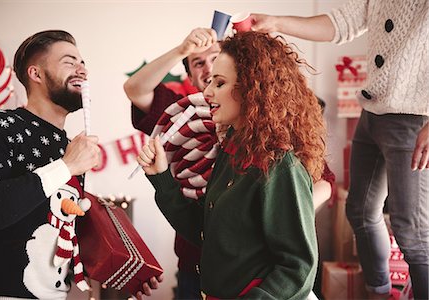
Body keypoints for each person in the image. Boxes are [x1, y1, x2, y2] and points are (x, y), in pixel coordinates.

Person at [250, 1, 429, 298]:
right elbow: (340, 23)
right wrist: (277, 22)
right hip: (372, 113)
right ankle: (380, 292)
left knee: (412, 232)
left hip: (412, 119)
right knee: (359, 211)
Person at [137, 31, 326, 299]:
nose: (208, 91)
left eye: (220, 83)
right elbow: (205, 232)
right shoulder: (231, 150)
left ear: (252, 87)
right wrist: (162, 178)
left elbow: (298, 267)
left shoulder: (279, 165)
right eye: (210, 80)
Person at [0, 30, 160, 299]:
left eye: (83, 62)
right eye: (69, 61)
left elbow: (59, 228)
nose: (82, 70)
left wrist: (122, 269)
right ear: (36, 74)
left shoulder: (68, 146)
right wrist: (65, 167)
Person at [124, 27, 219, 299]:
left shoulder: (259, 120)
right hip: (195, 263)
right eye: (198, 62)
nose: (209, 68)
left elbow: (321, 180)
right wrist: (181, 50)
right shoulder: (182, 114)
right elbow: (135, 88)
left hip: (252, 268)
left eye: (215, 58)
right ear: (189, 76)